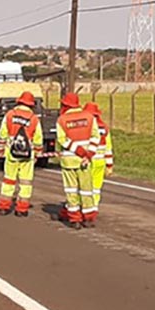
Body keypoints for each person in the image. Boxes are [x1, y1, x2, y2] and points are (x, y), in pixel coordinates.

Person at [0, 91, 44, 217]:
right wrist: (37, 153)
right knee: (25, 182)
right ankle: (21, 209)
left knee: (8, 180)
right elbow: (38, 138)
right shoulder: (34, 119)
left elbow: (2, 133)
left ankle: (3, 207)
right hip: (27, 155)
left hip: (11, 153)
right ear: (31, 105)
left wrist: (0, 148)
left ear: (19, 102)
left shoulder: (10, 115)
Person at [56, 93, 100, 229]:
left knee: (71, 190)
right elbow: (95, 137)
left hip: (69, 161)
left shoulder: (62, 120)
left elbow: (62, 140)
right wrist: (88, 154)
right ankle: (88, 218)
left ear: (65, 105)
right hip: (85, 162)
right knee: (86, 190)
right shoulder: (89, 117)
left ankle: (74, 219)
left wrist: (78, 151)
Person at [83, 102, 114, 212]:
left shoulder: (87, 125)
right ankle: (94, 207)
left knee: (85, 185)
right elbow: (108, 147)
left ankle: (85, 206)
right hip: (100, 161)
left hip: (88, 160)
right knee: (96, 187)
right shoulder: (104, 127)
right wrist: (109, 165)